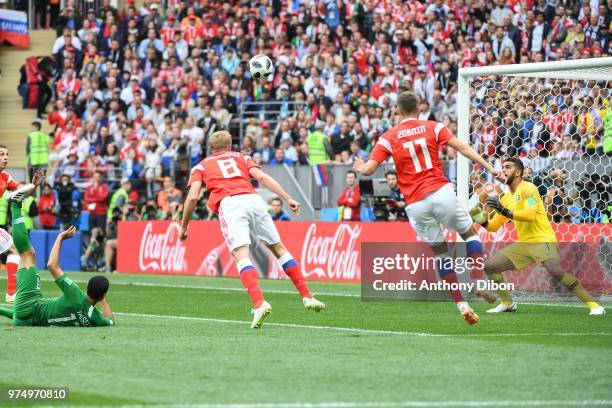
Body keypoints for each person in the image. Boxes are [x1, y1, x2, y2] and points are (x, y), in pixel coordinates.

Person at [354, 91, 503, 325]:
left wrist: (361, 166)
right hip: (440, 191)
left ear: (396, 110)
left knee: (440, 251)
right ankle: (476, 282)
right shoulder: (434, 127)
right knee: (469, 234)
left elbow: (370, 170)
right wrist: (489, 168)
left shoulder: (388, 137)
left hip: (415, 203)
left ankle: (461, 303)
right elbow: (462, 148)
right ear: (419, 108)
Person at [180, 131, 325, 329]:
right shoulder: (242, 157)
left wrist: (184, 226)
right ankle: (307, 296)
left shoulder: (201, 165)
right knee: (279, 248)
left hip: (230, 204)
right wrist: (288, 198)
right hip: (253, 199)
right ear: (230, 146)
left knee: (241, 255)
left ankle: (259, 303)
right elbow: (262, 177)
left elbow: (193, 197)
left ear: (210, 148)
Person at [470, 158, 605, 316]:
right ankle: (507, 303)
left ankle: (594, 306)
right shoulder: (506, 199)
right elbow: (493, 227)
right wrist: (481, 220)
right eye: (503, 167)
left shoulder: (529, 188)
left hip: (542, 239)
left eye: (507, 167)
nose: (503, 170)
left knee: (555, 271)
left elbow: (530, 215)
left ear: (518, 172)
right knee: (490, 266)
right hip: (524, 244)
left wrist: (505, 211)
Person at [0, 185, 114, 326]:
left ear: (86, 286)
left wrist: (60, 238)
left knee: (27, 253)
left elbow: (52, 265)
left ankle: (15, 205)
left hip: (31, 306)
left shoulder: (76, 294)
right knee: (27, 307)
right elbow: (110, 321)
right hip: (26, 321)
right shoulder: (95, 319)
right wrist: (103, 300)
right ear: (102, 295)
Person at [0, 145, 44, 304]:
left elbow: (21, 191)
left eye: (7, 154)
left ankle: (11, 293)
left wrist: (34, 185)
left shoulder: (5, 177)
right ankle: (11, 293)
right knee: (14, 250)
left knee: (14, 250)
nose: (5, 157)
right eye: (1, 154)